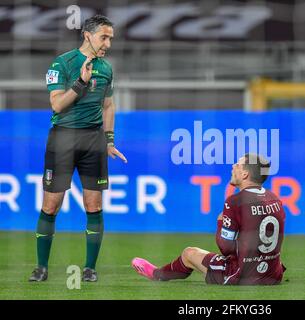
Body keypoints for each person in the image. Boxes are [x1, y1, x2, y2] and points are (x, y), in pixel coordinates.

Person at [29, 15, 127, 282]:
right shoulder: (63, 63)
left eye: (110, 38)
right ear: (87, 35)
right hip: (62, 139)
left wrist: (109, 140)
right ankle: (41, 267)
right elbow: (57, 105)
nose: (107, 43)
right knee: (51, 205)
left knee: (93, 205)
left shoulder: (106, 68)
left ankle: (90, 269)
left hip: (93, 141)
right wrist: (80, 83)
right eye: (103, 37)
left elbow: (108, 106)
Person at [132, 153, 286, 285]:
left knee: (189, 253)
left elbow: (225, 248)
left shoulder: (235, 202)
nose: (233, 166)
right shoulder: (275, 199)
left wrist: (220, 222)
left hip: (242, 276)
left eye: (238, 165)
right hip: (273, 275)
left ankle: (157, 274)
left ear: (245, 174)